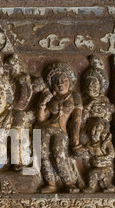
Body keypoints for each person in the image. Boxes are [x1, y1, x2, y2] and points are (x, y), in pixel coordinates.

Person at [37, 62, 83, 193]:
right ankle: (51, 184)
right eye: (56, 81)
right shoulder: (51, 97)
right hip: (45, 128)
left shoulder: (74, 96)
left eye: (64, 80)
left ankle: (68, 183)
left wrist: (75, 142)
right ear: (52, 85)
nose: (60, 84)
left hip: (61, 130)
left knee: (58, 154)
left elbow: (76, 119)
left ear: (69, 81)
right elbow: (41, 118)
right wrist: (42, 103)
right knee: (43, 155)